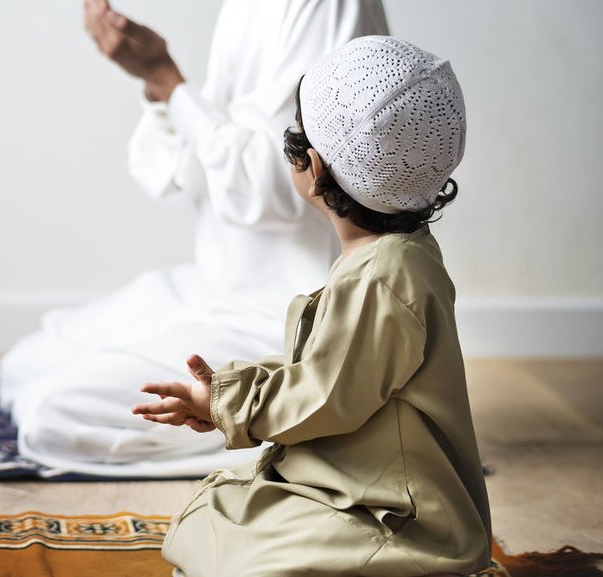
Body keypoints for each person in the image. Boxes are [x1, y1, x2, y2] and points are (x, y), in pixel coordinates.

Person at [133, 36, 492, 577]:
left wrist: (226, 405)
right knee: (219, 513)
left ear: (315, 167)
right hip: (362, 484)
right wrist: (227, 391)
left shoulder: (384, 277)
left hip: (402, 516)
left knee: (227, 540)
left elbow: (326, 394)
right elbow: (336, 372)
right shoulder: (396, 256)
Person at [0, 0, 389, 477]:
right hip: (214, 287)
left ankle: (297, 425)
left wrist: (168, 80)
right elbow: (196, 174)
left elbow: (286, 186)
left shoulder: (326, 6)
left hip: (288, 320)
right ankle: (258, 418)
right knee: (24, 365)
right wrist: (160, 87)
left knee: (51, 412)